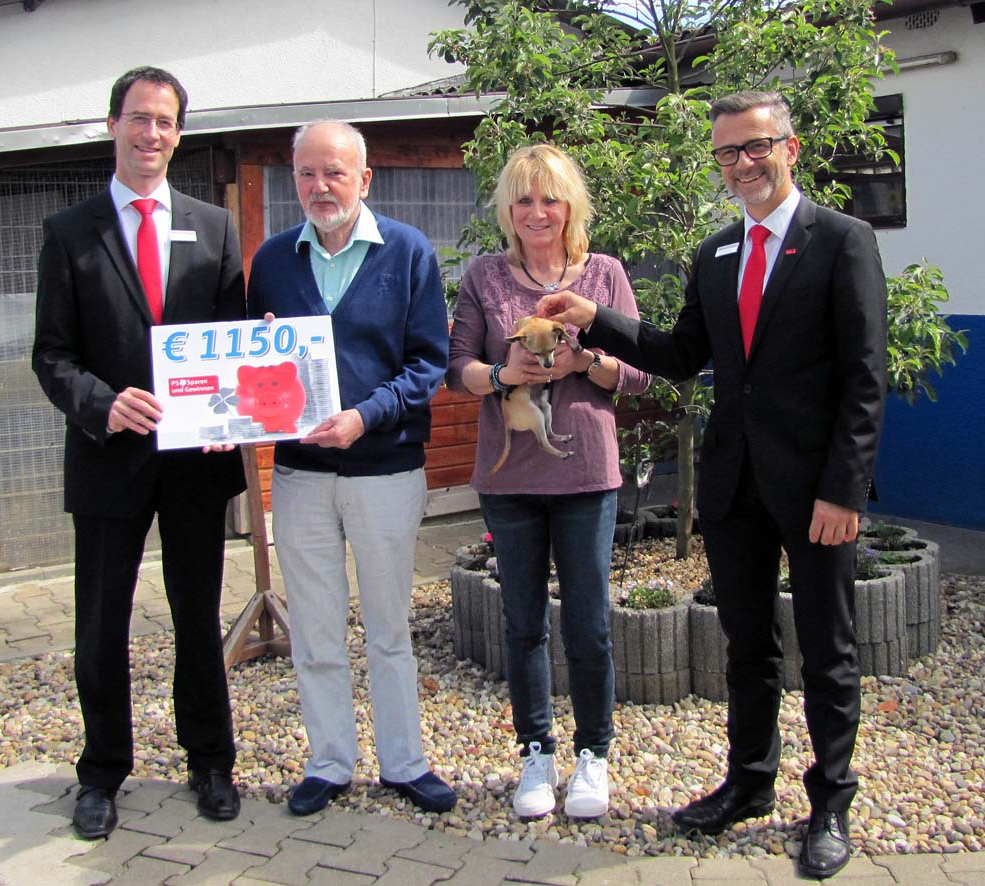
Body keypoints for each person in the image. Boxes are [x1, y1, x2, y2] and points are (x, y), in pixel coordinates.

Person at [539, 91, 887, 878]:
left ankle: (831, 800)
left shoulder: (843, 240)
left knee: (829, 649)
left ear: (789, 148)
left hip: (816, 490)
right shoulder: (716, 252)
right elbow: (681, 354)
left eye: (755, 146)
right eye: (727, 152)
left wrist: (845, 489)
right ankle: (750, 783)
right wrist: (593, 316)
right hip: (734, 485)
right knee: (748, 646)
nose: (742, 164)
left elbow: (864, 379)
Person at [32, 66, 247, 839]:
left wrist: (237, 402)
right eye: (137, 118)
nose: (150, 132)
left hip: (194, 463)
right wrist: (102, 404)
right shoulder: (70, 232)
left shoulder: (214, 227)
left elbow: (232, 343)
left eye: (164, 121)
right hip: (108, 460)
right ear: (113, 125)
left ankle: (211, 761)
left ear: (178, 135)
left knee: (197, 614)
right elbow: (51, 355)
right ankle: (101, 773)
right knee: (101, 624)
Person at [245, 120, 455, 817]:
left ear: (364, 179)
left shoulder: (408, 251)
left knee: (389, 627)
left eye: (333, 172)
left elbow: (428, 363)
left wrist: (366, 417)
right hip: (301, 475)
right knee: (314, 627)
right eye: (306, 173)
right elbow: (250, 362)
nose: (319, 186)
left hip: (384, 469)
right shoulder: (272, 260)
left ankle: (404, 762)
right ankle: (329, 762)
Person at [445, 144, 649, 820]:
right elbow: (457, 368)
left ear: (571, 208)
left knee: (589, 624)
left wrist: (581, 363)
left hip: (586, 474)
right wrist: (504, 375)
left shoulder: (604, 275)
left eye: (550, 199)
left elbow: (638, 372)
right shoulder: (484, 276)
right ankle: (536, 751)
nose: (537, 212)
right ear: (508, 209)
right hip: (510, 480)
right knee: (523, 623)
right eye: (524, 200)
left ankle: (594, 753)